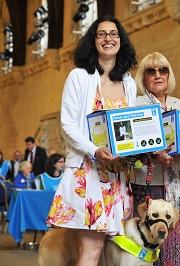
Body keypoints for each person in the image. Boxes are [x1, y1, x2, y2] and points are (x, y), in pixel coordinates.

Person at [45, 15, 138, 266]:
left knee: (107, 250)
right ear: (93, 41)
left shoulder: (128, 82)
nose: (108, 39)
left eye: (114, 34)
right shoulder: (79, 77)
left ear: (121, 40)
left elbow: (130, 126)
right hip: (88, 174)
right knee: (92, 249)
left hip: (116, 174)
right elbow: (68, 125)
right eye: (102, 34)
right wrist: (94, 150)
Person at [132, 52, 180, 265]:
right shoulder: (136, 104)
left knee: (173, 238)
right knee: (148, 240)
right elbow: (129, 145)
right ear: (143, 77)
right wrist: (153, 154)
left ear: (169, 75)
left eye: (162, 70)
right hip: (147, 183)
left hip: (175, 183)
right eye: (151, 71)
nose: (158, 75)